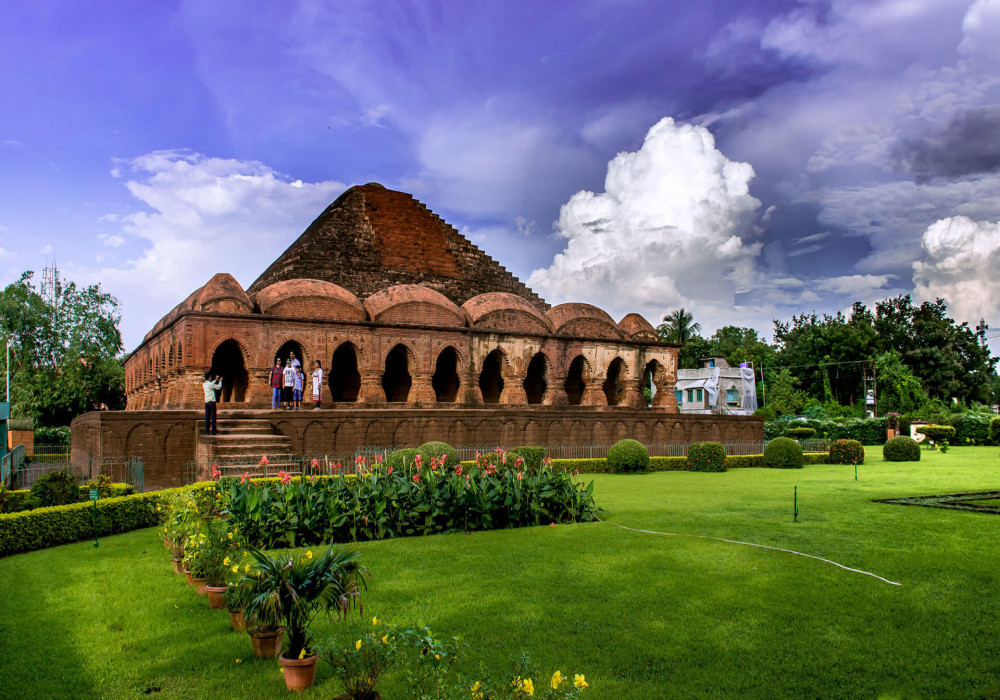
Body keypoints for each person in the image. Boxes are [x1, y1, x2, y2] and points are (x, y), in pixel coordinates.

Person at [202, 371, 222, 435]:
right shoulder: (210, 384)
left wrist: (215, 380)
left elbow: (211, 384)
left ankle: (207, 432)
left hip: (207, 402)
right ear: (209, 377)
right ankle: (213, 432)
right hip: (212, 402)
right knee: (213, 417)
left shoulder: (204, 384)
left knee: (207, 417)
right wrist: (220, 381)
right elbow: (218, 387)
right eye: (210, 377)